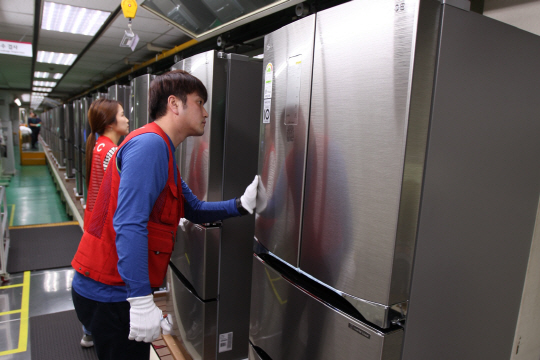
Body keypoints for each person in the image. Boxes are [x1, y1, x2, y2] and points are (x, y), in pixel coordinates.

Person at [70, 69, 258, 360]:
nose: (205, 112)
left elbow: (193, 209)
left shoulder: (164, 151)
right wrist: (141, 300)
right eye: (199, 102)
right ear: (175, 104)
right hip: (110, 292)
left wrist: (240, 205)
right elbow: (129, 223)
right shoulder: (150, 146)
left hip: (115, 290)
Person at [78, 98, 130, 348]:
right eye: (122, 114)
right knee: (103, 276)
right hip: (104, 224)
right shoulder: (111, 151)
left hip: (92, 221)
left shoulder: (98, 145)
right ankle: (94, 330)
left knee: (92, 273)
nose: (127, 118)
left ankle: (88, 329)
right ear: (111, 123)